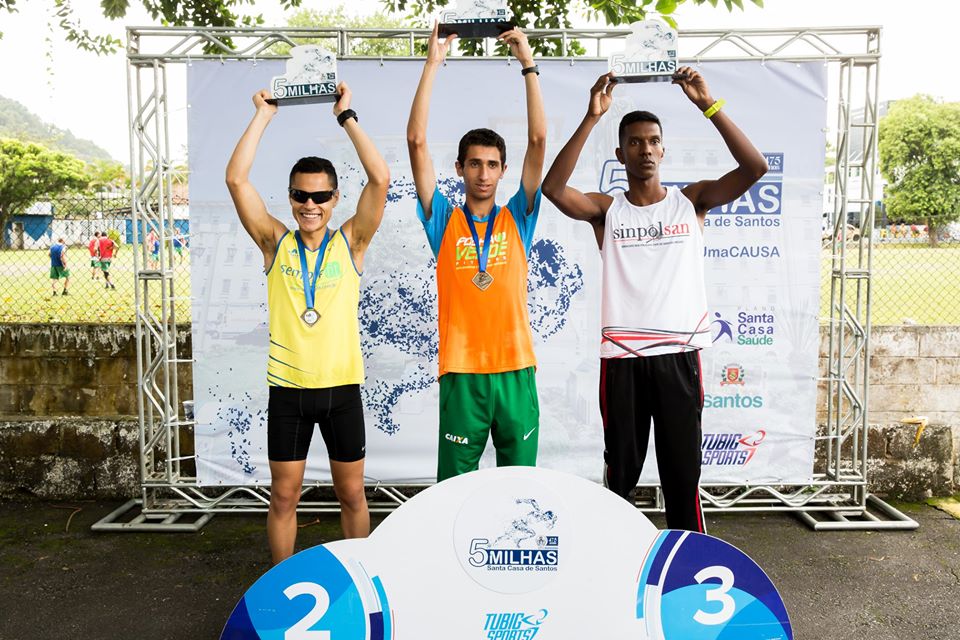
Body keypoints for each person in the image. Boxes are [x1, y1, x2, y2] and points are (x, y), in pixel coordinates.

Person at [541, 68, 768, 532]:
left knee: (682, 476)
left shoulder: (692, 201)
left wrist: (707, 105)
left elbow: (755, 168)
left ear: (663, 150)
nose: (645, 149)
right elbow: (553, 190)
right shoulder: (607, 210)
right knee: (621, 474)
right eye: (635, 142)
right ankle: (614, 553)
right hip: (622, 358)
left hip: (678, 357)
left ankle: (686, 560)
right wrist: (591, 117)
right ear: (621, 153)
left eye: (653, 141)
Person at [225, 83, 389, 564]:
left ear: (335, 198)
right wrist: (263, 115)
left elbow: (380, 179)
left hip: (342, 391)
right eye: (300, 195)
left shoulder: (352, 242)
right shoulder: (274, 242)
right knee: (283, 496)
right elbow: (236, 180)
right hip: (289, 392)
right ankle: (281, 584)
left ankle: (359, 581)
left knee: (352, 495)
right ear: (291, 196)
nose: (309, 205)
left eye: (319, 196)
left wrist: (346, 116)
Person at [406, 23, 546, 481]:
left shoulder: (518, 217)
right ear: (459, 168)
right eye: (474, 164)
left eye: (491, 165)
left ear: (503, 170)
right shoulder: (443, 221)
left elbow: (538, 142)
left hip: (515, 370)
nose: (483, 174)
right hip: (461, 373)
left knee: (519, 486)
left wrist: (528, 63)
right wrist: (433, 64)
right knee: (454, 489)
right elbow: (416, 142)